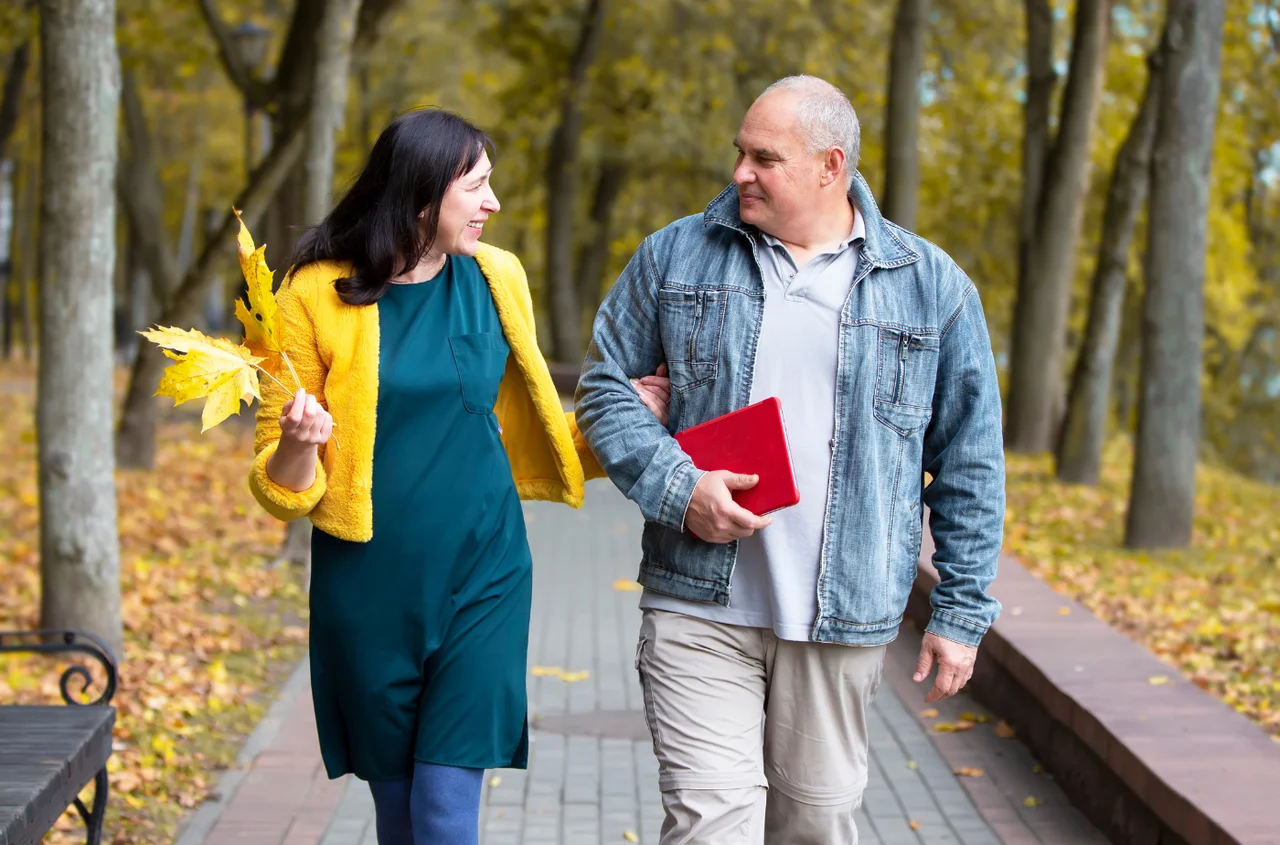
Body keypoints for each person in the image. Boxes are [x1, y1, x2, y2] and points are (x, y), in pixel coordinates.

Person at [575, 75, 1005, 844]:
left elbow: (970, 462)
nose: (740, 172)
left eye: (763, 158)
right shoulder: (676, 256)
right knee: (711, 825)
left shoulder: (931, 287)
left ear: (829, 166)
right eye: (740, 153)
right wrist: (681, 488)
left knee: (815, 826)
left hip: (842, 615)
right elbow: (605, 387)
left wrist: (961, 611)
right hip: (695, 600)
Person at [246, 108, 669, 845]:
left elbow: (517, 424)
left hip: (486, 572)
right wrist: (299, 442)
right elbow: (280, 486)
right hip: (369, 583)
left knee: (445, 809)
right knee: (401, 813)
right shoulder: (312, 293)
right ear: (419, 195)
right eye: (477, 187)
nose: (492, 204)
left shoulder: (497, 277)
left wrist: (617, 417)